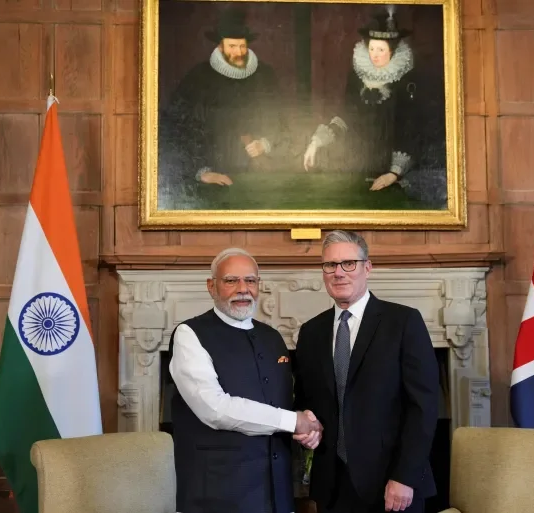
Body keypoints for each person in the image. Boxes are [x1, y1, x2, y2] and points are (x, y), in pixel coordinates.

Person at [293, 230, 439, 513]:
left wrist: (404, 477)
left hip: (392, 485)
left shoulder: (403, 322)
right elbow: (306, 400)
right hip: (333, 486)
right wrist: (307, 422)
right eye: (330, 265)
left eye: (349, 263)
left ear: (367, 268)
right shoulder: (311, 332)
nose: (339, 273)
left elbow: (424, 407)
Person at [168, 247, 322, 513]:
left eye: (250, 280)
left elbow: (284, 401)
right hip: (218, 493)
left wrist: (308, 428)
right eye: (231, 280)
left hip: (277, 490)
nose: (243, 289)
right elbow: (214, 408)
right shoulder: (189, 334)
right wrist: (293, 420)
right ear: (211, 286)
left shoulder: (273, 338)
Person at [301, 7, 447, 208]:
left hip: (394, 165)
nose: (375, 55)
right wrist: (316, 143)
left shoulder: (408, 80)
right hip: (359, 163)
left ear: (392, 51)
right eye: (371, 49)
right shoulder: (356, 77)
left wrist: (394, 172)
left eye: (381, 50)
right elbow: (346, 116)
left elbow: (411, 128)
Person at [158, 6, 285, 203]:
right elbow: (176, 130)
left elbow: (283, 121)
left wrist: (265, 143)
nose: (239, 52)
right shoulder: (198, 77)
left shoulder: (265, 76)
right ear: (220, 47)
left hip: (258, 177)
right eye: (232, 47)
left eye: (242, 46)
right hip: (212, 177)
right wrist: (201, 172)